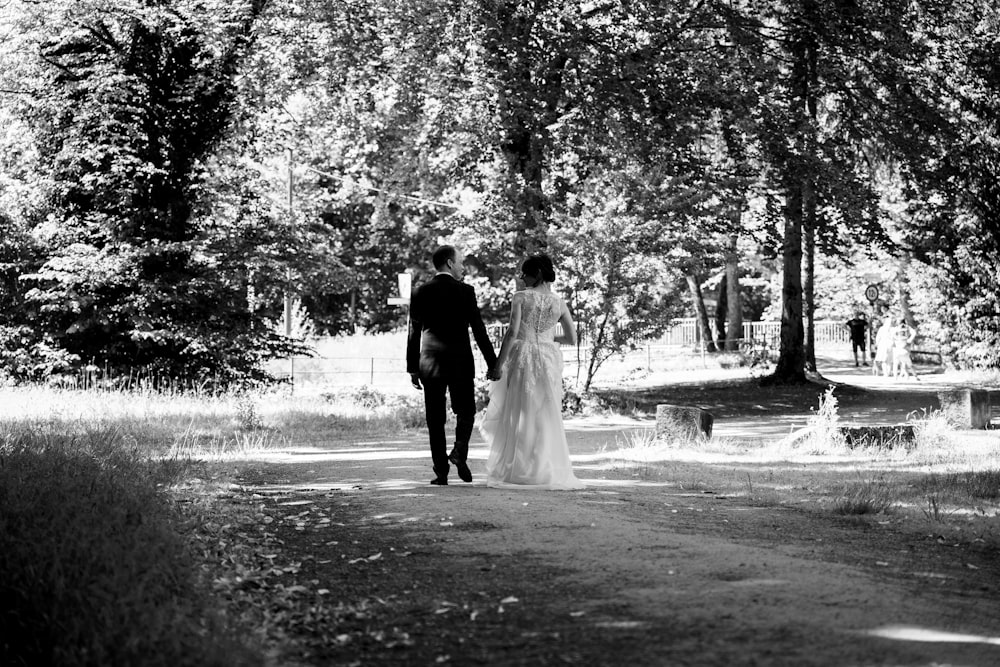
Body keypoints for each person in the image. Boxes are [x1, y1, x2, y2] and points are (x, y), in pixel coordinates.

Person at [479, 254, 584, 490]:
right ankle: (546, 469)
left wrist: (497, 365)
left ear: (536, 273)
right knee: (546, 412)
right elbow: (572, 338)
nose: (521, 277)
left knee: (520, 409)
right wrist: (546, 338)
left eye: (524, 273)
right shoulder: (559, 303)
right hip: (548, 358)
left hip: (524, 357)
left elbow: (512, 334)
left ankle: (520, 469)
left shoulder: (521, 298)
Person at [407, 245, 498, 486]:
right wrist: (493, 362)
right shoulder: (465, 291)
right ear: (449, 263)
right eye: (459, 262)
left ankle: (441, 472)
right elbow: (479, 330)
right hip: (460, 362)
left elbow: (413, 332)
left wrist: (412, 367)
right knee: (466, 411)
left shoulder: (419, 292)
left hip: (430, 363)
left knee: (434, 419)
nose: (462, 267)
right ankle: (459, 451)